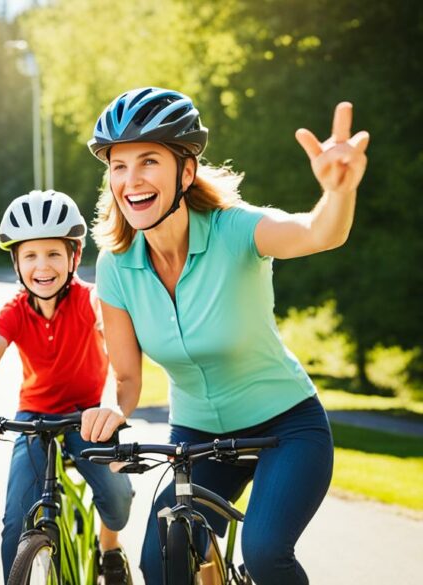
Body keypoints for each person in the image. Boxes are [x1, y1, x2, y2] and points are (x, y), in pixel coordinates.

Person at [80, 87, 369, 584]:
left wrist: (338, 191)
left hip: (287, 428)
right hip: (198, 438)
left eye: (149, 161)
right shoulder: (115, 265)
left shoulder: (235, 231)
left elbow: (318, 233)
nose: (132, 181)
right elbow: (126, 376)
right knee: (161, 562)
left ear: (186, 172)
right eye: (119, 165)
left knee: (265, 553)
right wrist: (113, 406)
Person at [0, 190, 135, 585]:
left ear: (74, 256)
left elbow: (115, 342)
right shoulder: (15, 310)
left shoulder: (91, 300)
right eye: (30, 255)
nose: (42, 266)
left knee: (119, 498)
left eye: (53, 254)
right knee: (15, 521)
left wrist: (111, 405)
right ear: (16, 262)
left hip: (88, 415)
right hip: (33, 419)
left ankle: (109, 545)